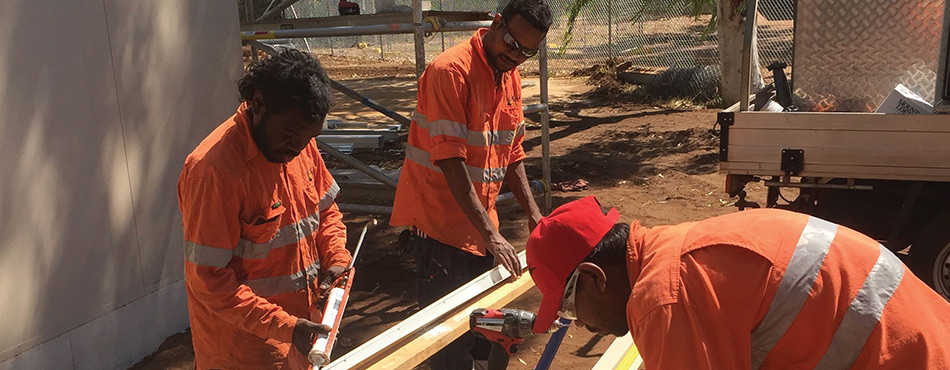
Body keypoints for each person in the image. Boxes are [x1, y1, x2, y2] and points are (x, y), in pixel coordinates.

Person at [526, 196, 950, 369]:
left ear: (593, 278)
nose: (578, 325)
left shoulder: (665, 296)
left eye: (567, 308)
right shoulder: (674, 248)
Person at [389, 0, 552, 368]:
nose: (516, 56)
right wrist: (491, 234)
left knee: (484, 335)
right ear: (496, 24)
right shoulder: (450, 71)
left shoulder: (508, 76)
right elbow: (450, 159)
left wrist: (534, 214)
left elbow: (513, 153)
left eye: (527, 51)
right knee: (447, 345)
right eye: (512, 44)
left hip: (480, 228)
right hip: (440, 229)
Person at [177, 49, 351, 370]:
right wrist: (286, 327)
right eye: (289, 136)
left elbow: (326, 211)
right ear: (259, 105)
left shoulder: (298, 140)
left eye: (308, 138)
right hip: (244, 353)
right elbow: (209, 281)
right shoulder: (213, 171)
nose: (297, 148)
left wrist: (336, 259)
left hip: (303, 338)